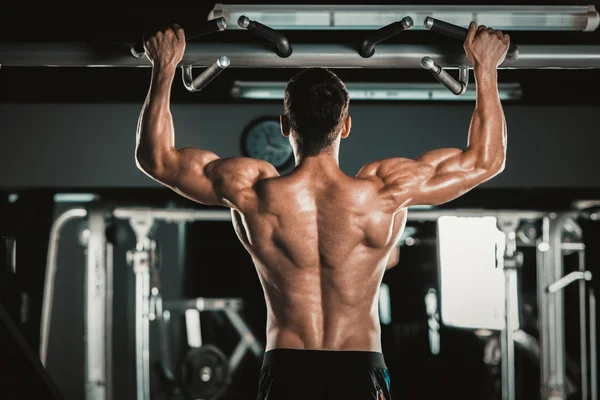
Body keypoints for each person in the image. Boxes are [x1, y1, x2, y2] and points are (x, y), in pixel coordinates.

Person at [135, 21, 509, 400]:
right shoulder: (384, 191)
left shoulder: (253, 190)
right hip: (360, 366)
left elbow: (157, 159)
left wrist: (163, 68)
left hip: (287, 366)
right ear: (345, 126)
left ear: (286, 125)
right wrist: (487, 69)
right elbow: (485, 161)